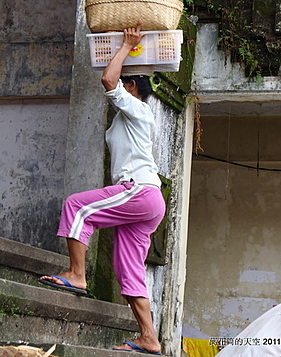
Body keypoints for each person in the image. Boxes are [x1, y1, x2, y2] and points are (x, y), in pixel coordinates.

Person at [39, 24, 165, 355]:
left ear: (133, 86)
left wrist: (125, 46)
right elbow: (112, 82)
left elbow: (108, 80)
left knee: (77, 206)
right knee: (128, 268)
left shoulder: (138, 109)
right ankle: (149, 336)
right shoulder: (126, 117)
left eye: (126, 80)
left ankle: (77, 274)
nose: (117, 83)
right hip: (147, 199)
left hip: (139, 190)